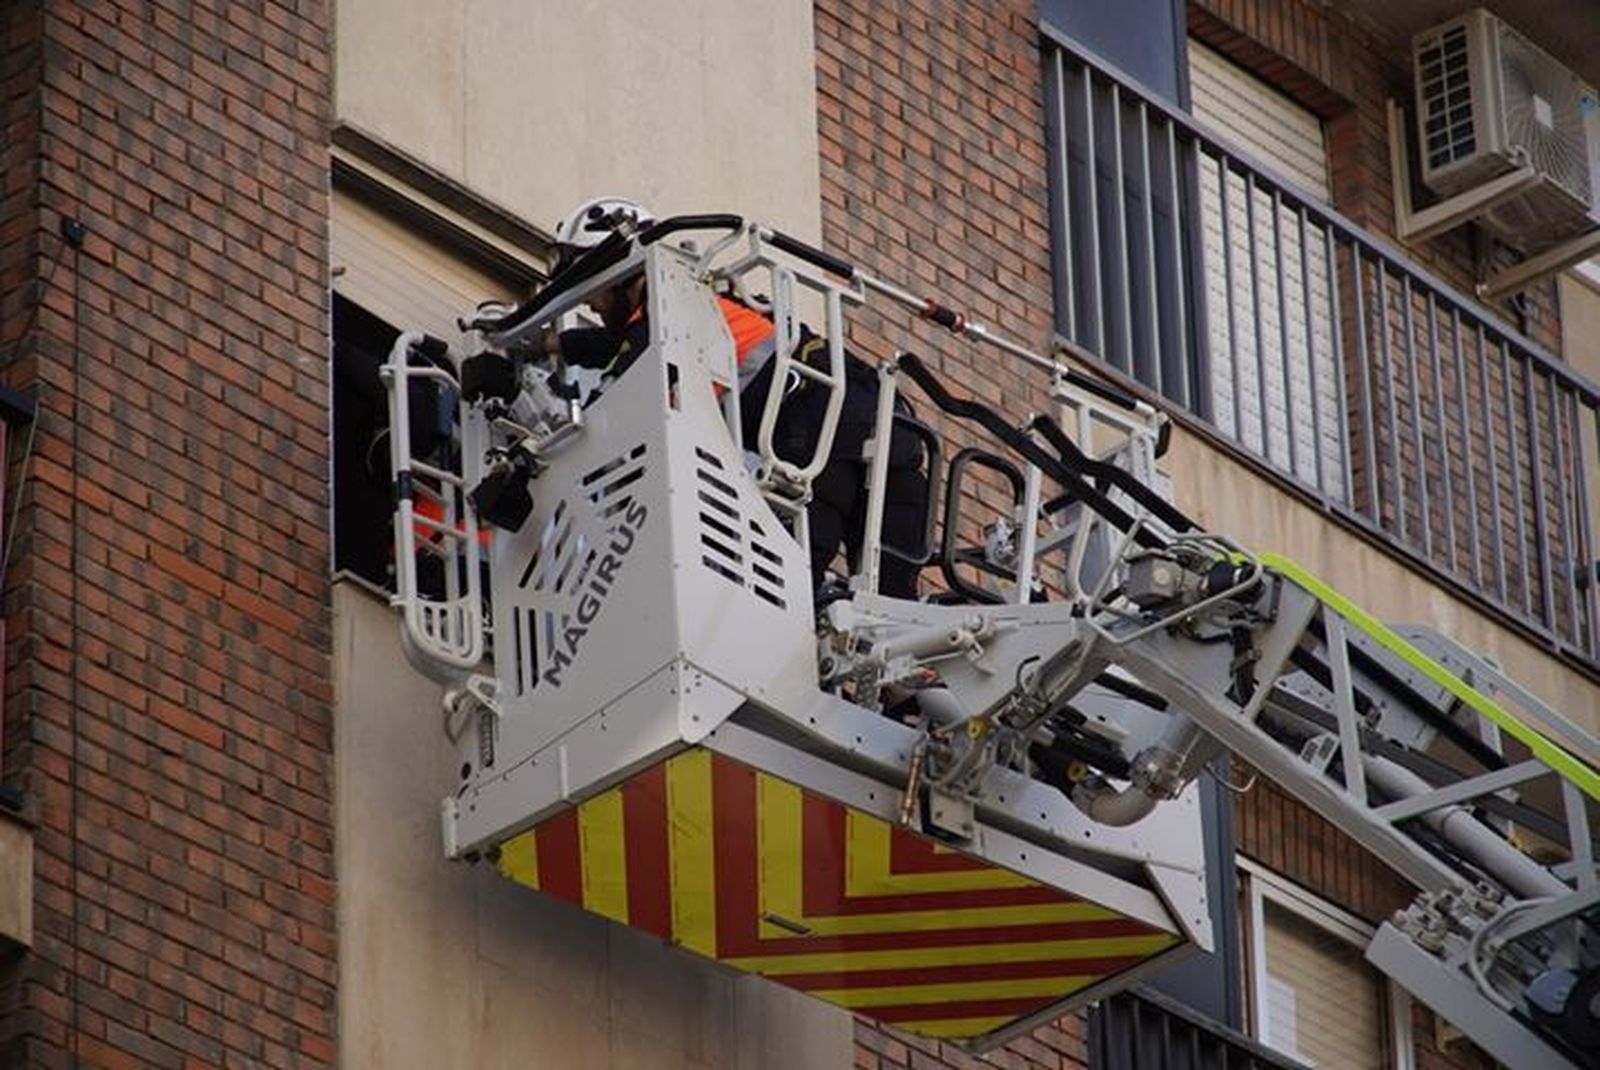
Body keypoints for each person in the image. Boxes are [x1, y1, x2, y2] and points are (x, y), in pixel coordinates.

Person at [542, 197, 929, 600]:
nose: (588, 302)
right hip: (886, 433)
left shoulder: (663, 316)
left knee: (780, 597)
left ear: (622, 272)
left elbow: (616, 391)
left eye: (592, 289)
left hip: (817, 442)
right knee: (890, 603)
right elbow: (614, 346)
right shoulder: (711, 302)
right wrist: (554, 344)